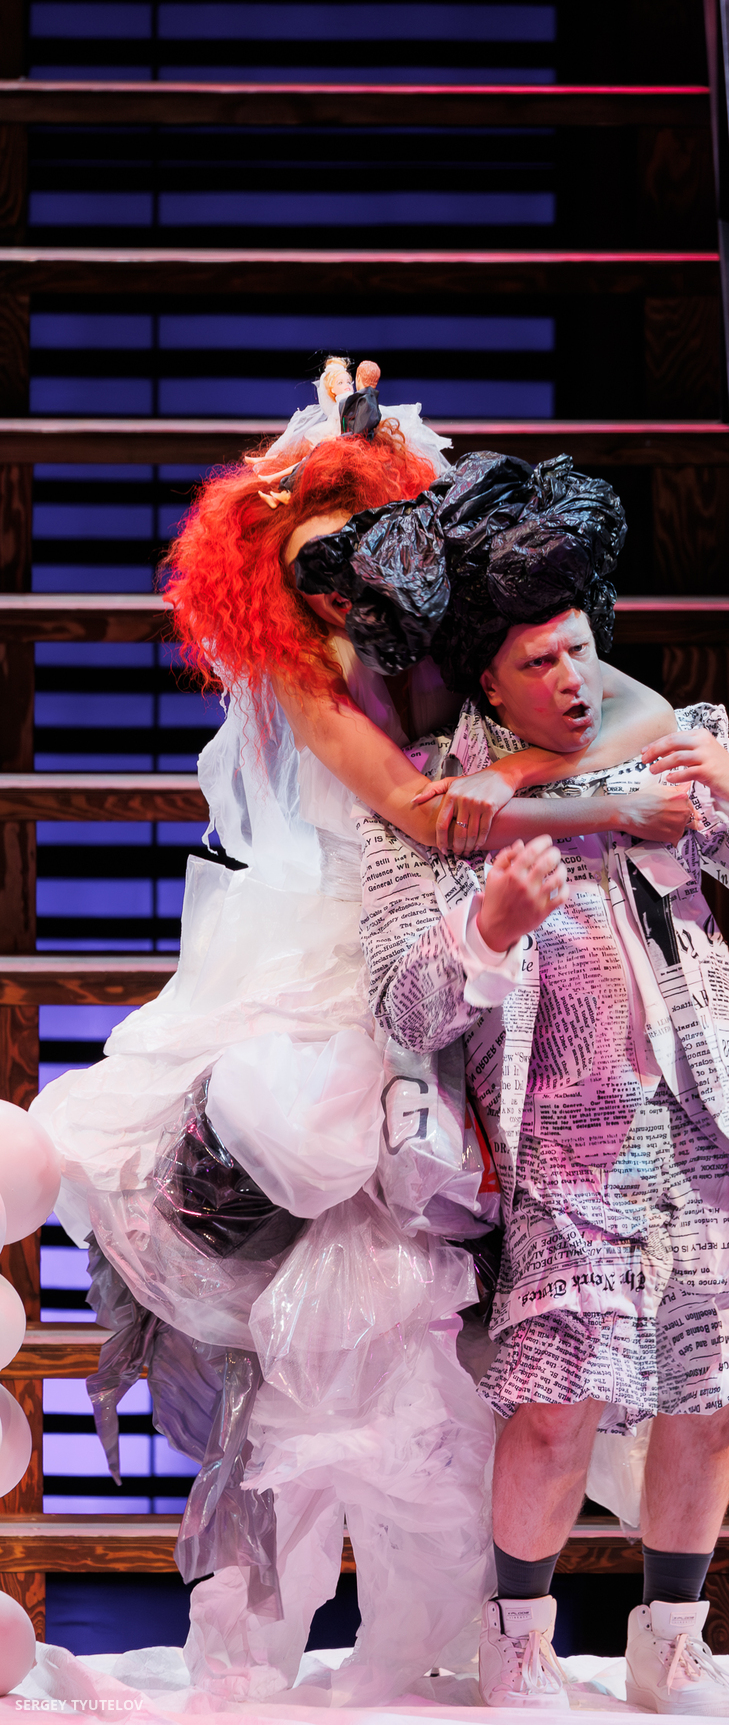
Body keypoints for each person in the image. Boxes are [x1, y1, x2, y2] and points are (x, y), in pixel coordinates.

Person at [31, 368, 686, 1705]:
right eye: (310, 568)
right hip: (332, 975)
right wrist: (586, 792)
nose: (338, 591)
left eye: (358, 557)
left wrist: (540, 770)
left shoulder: (448, 642)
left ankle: (451, 1634)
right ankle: (253, 1647)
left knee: (435, 1339)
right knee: (308, 1331)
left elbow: (618, 717)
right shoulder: (302, 675)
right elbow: (427, 812)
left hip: (462, 958)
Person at [340, 454, 729, 1714]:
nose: (572, 678)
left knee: (710, 1391)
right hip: (566, 1139)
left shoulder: (658, 738)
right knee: (555, 1402)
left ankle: (668, 1640)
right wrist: (488, 930)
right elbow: (403, 1003)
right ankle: (519, 1644)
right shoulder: (436, 801)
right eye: (539, 662)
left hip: (709, 1119)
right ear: (486, 677)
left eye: (578, 649)